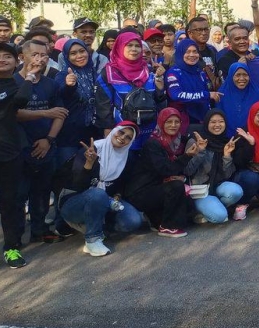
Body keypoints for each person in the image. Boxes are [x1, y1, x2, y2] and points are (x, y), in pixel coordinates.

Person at [59, 124, 145, 256]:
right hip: (73, 202)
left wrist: (116, 197)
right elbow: (77, 185)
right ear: (114, 131)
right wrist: (89, 163)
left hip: (105, 201)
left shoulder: (127, 158)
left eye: (128, 137)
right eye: (121, 132)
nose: (122, 138)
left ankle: (97, 226)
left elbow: (121, 185)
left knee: (133, 220)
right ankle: (92, 240)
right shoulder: (91, 150)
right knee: (98, 194)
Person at [15, 40, 66, 244]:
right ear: (22, 57)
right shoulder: (12, 82)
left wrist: (48, 139)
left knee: (42, 193)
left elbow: (60, 114)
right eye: (35, 54)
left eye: (44, 55)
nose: (40, 59)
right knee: (19, 196)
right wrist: (44, 112)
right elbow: (13, 114)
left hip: (46, 147)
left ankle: (39, 230)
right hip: (19, 149)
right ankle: (15, 238)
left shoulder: (51, 84)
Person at [0, 42, 41, 268]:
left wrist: (31, 76)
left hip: (9, 152)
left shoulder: (16, 85)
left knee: (10, 203)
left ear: (16, 61)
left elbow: (21, 101)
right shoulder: (15, 86)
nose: (1, 59)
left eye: (7, 56)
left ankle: (11, 248)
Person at [125, 108, 194, 238]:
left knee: (189, 209)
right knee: (176, 187)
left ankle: (155, 218)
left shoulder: (177, 141)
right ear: (161, 122)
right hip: (140, 192)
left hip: (156, 187)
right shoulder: (153, 143)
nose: (173, 125)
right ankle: (168, 227)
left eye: (177, 121)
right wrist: (187, 156)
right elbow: (165, 169)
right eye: (169, 122)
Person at [96, 32, 166, 150]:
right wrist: (108, 138)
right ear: (119, 47)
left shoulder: (149, 70)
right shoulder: (108, 73)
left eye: (137, 45)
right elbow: (103, 107)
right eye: (129, 45)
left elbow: (159, 100)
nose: (134, 49)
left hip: (149, 132)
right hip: (121, 135)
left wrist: (160, 83)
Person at [184, 110, 245, 223]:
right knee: (220, 217)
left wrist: (227, 155)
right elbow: (187, 171)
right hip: (201, 190)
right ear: (206, 123)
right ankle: (200, 211)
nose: (217, 125)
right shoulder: (195, 141)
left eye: (221, 121)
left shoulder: (225, 142)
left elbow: (227, 175)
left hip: (218, 186)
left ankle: (214, 207)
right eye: (213, 122)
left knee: (236, 191)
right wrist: (201, 151)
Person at [56, 39, 101, 173]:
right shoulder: (63, 75)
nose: (79, 56)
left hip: (93, 132)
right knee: (68, 173)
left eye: (82, 51)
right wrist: (70, 85)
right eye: (73, 53)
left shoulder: (94, 73)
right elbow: (62, 92)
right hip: (70, 135)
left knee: (89, 172)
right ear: (67, 57)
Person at [166, 40, 218, 126]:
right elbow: (176, 95)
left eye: (195, 51)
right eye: (187, 52)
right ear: (180, 53)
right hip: (182, 122)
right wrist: (207, 95)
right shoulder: (173, 72)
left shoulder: (200, 72)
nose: (192, 55)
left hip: (202, 120)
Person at [216, 62, 259, 134]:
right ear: (231, 76)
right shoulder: (222, 93)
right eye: (237, 75)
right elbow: (218, 117)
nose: (242, 78)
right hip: (226, 138)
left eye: (245, 75)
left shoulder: (256, 92)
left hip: (251, 137)